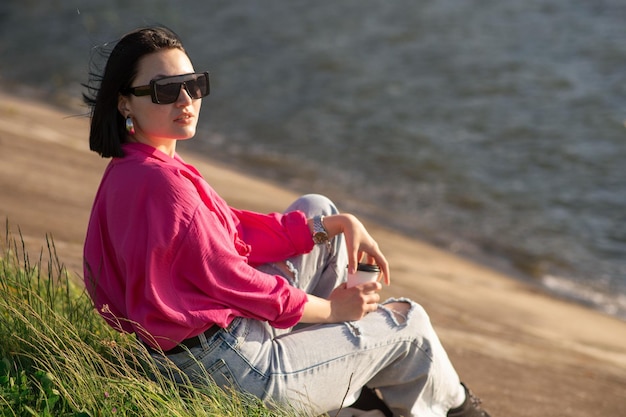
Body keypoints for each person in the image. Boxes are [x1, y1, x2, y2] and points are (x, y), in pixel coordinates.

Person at [82, 26, 492, 417]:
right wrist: (334, 311)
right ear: (124, 102)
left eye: (194, 84)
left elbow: (233, 233)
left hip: (188, 353)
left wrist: (339, 224)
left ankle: (342, 383)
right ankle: (454, 408)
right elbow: (241, 283)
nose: (186, 100)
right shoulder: (163, 184)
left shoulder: (135, 167)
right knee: (408, 323)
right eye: (165, 90)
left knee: (318, 209)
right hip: (235, 372)